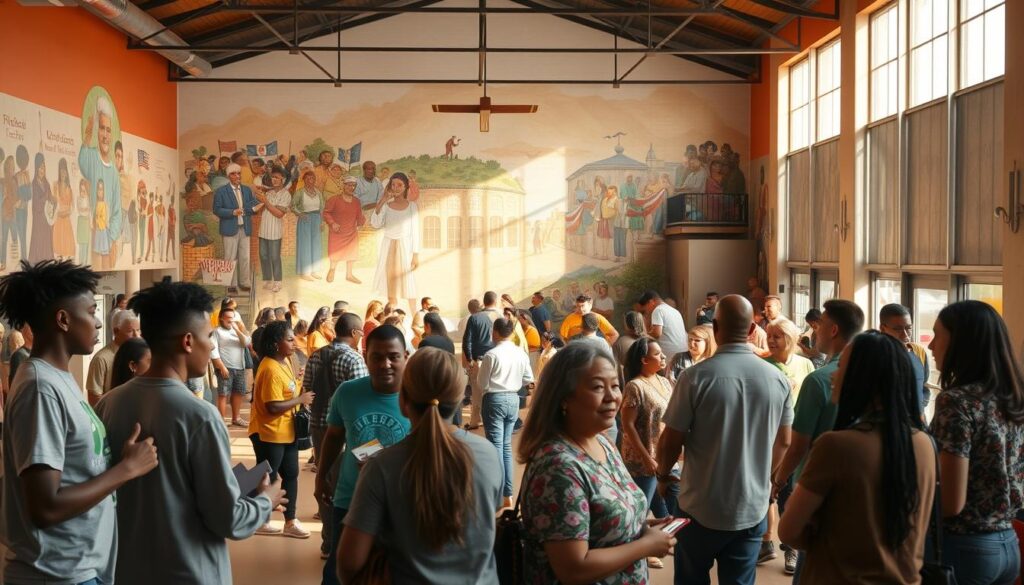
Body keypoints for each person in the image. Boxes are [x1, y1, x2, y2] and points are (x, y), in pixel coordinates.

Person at [95, 281, 286, 584]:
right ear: (187, 341)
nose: (211, 346)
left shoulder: (108, 404)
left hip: (127, 570)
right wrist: (266, 500)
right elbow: (229, 520)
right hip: (188, 573)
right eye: (208, 336)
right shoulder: (201, 416)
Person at [0, 259, 157, 585]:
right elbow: (45, 507)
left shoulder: (58, 378)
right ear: (63, 320)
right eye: (91, 311)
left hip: (80, 568)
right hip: (57, 574)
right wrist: (126, 470)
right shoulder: (40, 388)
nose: (98, 322)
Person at [656, 294, 793, 585]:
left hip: (699, 506)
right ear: (752, 330)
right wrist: (770, 480)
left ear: (715, 328)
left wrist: (663, 474)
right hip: (752, 507)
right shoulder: (777, 379)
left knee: (691, 579)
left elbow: (671, 439)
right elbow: (784, 441)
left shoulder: (695, 377)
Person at [779, 332, 935, 584]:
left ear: (863, 378)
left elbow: (789, 530)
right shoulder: (924, 443)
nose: (833, 375)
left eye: (841, 366)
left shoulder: (836, 445)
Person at [338, 348, 502, 583]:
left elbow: (349, 563)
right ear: (459, 399)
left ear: (403, 401)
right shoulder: (488, 454)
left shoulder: (381, 468)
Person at [518, 342, 676, 584]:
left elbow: (598, 523)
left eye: (615, 386)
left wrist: (639, 525)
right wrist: (645, 546)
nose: (612, 397)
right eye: (597, 387)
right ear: (564, 398)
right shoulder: (557, 467)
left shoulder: (603, 443)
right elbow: (573, 569)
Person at [929, 301, 1024, 585]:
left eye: (937, 335)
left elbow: (951, 502)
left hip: (965, 547)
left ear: (961, 343)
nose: (931, 346)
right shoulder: (1012, 398)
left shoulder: (956, 402)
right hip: (1009, 544)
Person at [315, 325, 412, 585]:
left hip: (400, 503)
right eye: (377, 357)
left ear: (405, 356)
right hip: (350, 498)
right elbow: (333, 437)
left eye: (393, 356)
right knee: (338, 573)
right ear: (365, 357)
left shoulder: (418, 397)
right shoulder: (347, 392)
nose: (385, 364)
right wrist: (321, 477)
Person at [771, 299, 864, 570]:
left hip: (817, 487)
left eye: (820, 324)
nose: (815, 331)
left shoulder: (820, 380)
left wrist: (778, 479)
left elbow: (798, 444)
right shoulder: (871, 375)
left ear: (833, 330)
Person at [249, 320, 314, 539]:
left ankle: (290, 521)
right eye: (289, 339)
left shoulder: (284, 362)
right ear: (276, 344)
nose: (294, 343)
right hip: (269, 433)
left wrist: (298, 382)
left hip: (286, 431)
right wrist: (300, 399)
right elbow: (273, 406)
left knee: (291, 474)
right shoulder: (269, 368)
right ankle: (260, 520)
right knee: (267, 476)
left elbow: (287, 390)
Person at [620, 337, 678, 569]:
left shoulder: (664, 382)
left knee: (666, 504)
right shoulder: (635, 386)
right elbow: (627, 425)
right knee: (641, 507)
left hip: (664, 456)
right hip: (642, 459)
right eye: (657, 354)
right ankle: (642, 550)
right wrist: (646, 457)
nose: (663, 357)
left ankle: (660, 542)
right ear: (644, 360)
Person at [478, 318, 534, 509]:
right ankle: (507, 493)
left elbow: (482, 384)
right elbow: (528, 378)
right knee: (506, 447)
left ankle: (499, 493)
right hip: (513, 399)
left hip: (494, 400)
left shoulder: (491, 355)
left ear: (495, 332)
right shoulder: (520, 353)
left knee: (495, 448)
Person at [370, 172, 419, 313]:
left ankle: (414, 315)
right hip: (388, 247)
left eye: (399, 185)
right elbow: (375, 223)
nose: (396, 188)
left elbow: (415, 231)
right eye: (393, 185)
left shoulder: (412, 206)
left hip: (405, 248)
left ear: (406, 187)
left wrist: (415, 255)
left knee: (408, 282)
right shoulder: (386, 206)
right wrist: (382, 200)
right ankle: (393, 315)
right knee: (390, 282)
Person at [212, 163, 261, 294]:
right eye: (234, 174)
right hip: (229, 229)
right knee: (230, 258)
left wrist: (255, 206)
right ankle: (230, 285)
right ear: (228, 176)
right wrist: (232, 212)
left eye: (239, 173)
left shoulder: (246, 190)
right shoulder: (221, 191)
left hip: (245, 228)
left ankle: (245, 282)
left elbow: (251, 205)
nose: (237, 176)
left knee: (245, 257)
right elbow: (216, 209)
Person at [879, 303, 930, 410]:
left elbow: (924, 386)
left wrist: (921, 407)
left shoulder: (918, 352)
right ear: (883, 329)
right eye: (898, 329)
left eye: (908, 328)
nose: (905, 335)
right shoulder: (874, 355)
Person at [463, 291, 502, 430]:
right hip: (494, 358)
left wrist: (469, 359)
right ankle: (491, 419)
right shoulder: (491, 317)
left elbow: (467, 341)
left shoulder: (474, 318)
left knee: (476, 392)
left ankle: (475, 421)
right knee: (491, 390)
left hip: (479, 359)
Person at [87, 308, 142, 404]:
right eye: (130, 331)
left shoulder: (141, 355)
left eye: (138, 330)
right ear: (116, 331)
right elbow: (94, 399)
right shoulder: (101, 359)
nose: (137, 336)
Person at [211, 306, 251, 426]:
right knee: (223, 394)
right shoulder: (217, 331)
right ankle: (221, 420)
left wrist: (237, 329)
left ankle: (236, 418)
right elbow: (213, 351)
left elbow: (246, 343)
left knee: (238, 392)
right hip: (225, 367)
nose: (230, 320)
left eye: (232, 318)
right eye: (228, 318)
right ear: (221, 319)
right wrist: (221, 367)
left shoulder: (237, 331)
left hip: (240, 367)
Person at [322, 175, 364, 284]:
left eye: (353, 186)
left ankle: (349, 275)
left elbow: (359, 215)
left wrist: (361, 223)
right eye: (349, 185)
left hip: (351, 232)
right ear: (343, 186)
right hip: (337, 232)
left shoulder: (356, 201)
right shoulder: (334, 199)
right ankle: (332, 270)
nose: (351, 188)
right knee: (335, 251)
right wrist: (332, 223)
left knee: (352, 253)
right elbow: (326, 213)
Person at [256, 165, 290, 293]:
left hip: (275, 232)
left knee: (275, 257)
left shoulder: (286, 195)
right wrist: (261, 203)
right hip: (263, 230)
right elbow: (263, 209)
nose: (274, 179)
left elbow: (279, 214)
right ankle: (267, 279)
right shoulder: (268, 193)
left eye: (277, 177)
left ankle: (278, 281)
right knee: (263, 256)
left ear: (283, 179)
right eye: (272, 177)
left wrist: (266, 202)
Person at [292, 169, 325, 281]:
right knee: (305, 245)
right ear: (304, 180)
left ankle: (314, 271)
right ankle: (305, 272)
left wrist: (322, 222)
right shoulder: (299, 192)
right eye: (308, 178)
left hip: (316, 219)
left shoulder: (318, 193)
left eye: (312, 178)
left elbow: (322, 208)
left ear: (315, 180)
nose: (310, 180)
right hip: (305, 220)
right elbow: (293, 206)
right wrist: (300, 213)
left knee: (316, 245)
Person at [639, 290, 687, 366]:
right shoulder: (674, 311)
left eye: (646, 309)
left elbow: (657, 334)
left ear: (651, 302)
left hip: (670, 354)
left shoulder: (658, 310)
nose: (647, 311)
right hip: (683, 351)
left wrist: (644, 334)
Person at [28, 154, 52, 263]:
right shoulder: (34, 184)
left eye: (44, 167)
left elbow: (50, 199)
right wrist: (45, 198)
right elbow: (36, 204)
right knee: (38, 244)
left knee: (46, 245)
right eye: (40, 167)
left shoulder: (47, 184)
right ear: (36, 168)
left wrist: (53, 201)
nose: (42, 170)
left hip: (46, 219)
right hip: (38, 219)